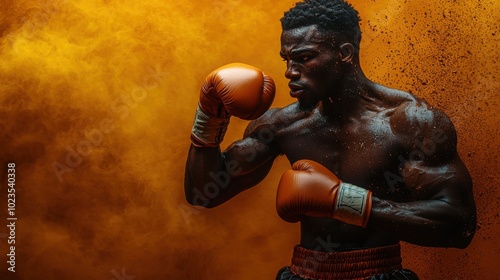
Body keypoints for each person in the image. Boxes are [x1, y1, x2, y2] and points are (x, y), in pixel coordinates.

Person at [184, 0, 477, 279]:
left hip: (379, 274)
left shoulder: (410, 123)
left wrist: (343, 201)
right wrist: (209, 115)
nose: (289, 72)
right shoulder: (283, 125)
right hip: (302, 274)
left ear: (345, 53)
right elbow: (205, 193)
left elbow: (459, 225)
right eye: (286, 59)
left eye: (304, 57)